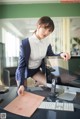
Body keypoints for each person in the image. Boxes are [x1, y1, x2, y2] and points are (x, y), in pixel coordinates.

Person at [15, 16, 70, 95]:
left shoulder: (47, 42)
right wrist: (21, 84)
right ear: (38, 26)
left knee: (51, 86)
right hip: (24, 71)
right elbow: (21, 66)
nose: (47, 33)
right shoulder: (25, 43)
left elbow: (51, 55)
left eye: (49, 31)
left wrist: (61, 54)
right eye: (45, 29)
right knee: (23, 93)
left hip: (35, 71)